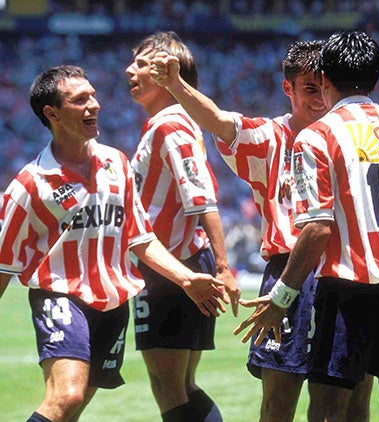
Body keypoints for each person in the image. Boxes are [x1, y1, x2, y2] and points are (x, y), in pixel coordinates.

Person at [151, 40, 379, 421]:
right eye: (308, 89)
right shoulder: (270, 136)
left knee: (349, 403)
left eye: (322, 86)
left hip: (350, 274)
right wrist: (177, 87)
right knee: (281, 397)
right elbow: (217, 119)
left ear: (333, 81)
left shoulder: (353, 133)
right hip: (295, 266)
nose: (318, 98)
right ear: (289, 89)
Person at [232, 30, 379, 422]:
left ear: (328, 80)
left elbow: (317, 228)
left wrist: (281, 298)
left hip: (351, 288)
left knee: (329, 408)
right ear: (376, 77)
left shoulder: (316, 137)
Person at [0, 65, 228, 422]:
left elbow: (140, 238)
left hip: (113, 303)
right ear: (52, 113)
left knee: (71, 410)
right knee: (67, 396)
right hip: (61, 296)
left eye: (92, 95)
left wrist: (186, 279)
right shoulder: (30, 185)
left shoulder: (116, 163)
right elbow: (3, 264)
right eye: (80, 100)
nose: (94, 105)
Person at [125, 31, 240, 422]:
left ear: (165, 73)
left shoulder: (171, 124)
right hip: (177, 267)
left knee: (169, 384)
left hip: (174, 270)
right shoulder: (167, 123)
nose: (130, 69)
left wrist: (224, 268)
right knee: (180, 385)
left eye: (142, 63)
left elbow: (202, 196)